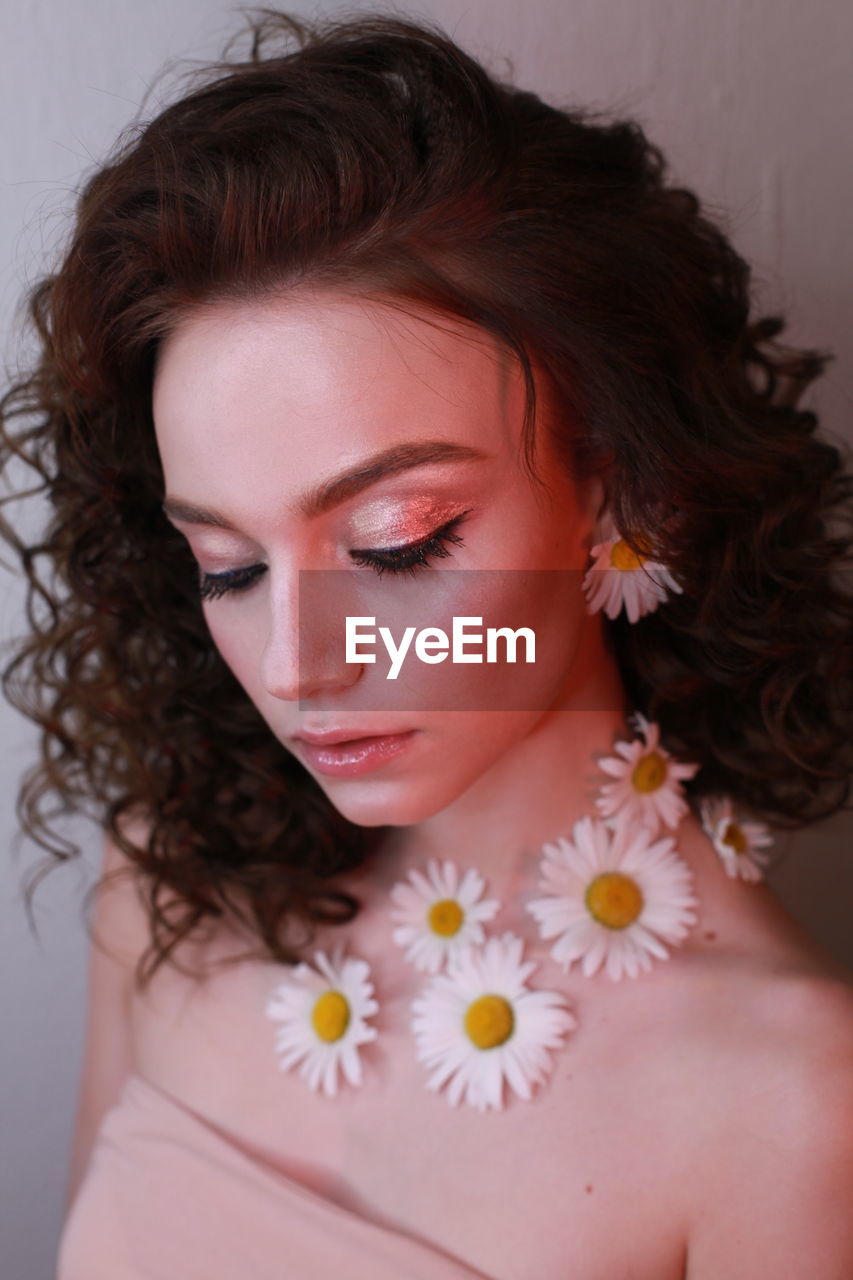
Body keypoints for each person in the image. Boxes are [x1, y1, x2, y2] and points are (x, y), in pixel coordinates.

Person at [2, 9, 852, 1278]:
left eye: (397, 541)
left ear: (619, 493)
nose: (299, 663)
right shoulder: (166, 889)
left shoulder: (791, 1104)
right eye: (225, 565)